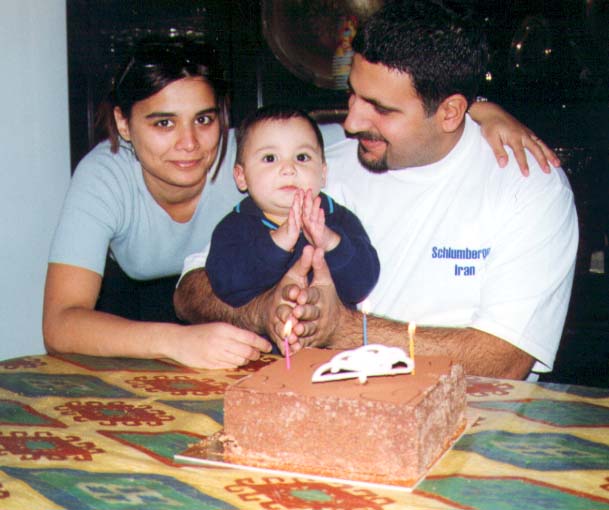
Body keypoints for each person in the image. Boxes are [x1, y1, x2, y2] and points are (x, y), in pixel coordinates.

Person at [174, 2, 577, 380]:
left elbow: (504, 361)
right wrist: (265, 311)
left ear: (451, 112)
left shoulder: (527, 188)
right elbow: (191, 289)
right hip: (319, 402)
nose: (350, 122)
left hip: (464, 423)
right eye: (352, 93)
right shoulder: (315, 161)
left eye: (380, 108)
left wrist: (344, 329)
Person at [43, 39, 272, 369]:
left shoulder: (253, 156)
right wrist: (176, 342)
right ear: (124, 123)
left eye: (204, 120)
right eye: (164, 123)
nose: (189, 143)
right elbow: (58, 325)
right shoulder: (105, 175)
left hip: (236, 319)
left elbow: (342, 141)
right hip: (136, 326)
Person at [206, 105, 379, 311]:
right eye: (270, 158)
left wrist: (330, 242)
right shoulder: (234, 227)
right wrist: (275, 244)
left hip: (333, 340)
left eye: (302, 157)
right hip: (264, 342)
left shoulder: (337, 218)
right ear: (241, 177)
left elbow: (362, 284)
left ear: (323, 173)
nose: (289, 169)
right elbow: (226, 286)